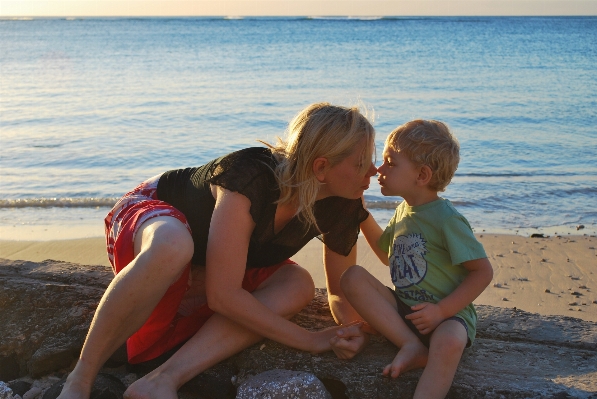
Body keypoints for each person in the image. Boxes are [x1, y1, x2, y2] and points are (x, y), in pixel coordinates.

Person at [58, 103, 377, 399]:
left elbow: (338, 294)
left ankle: (162, 380)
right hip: (152, 220)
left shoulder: (344, 203)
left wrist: (350, 332)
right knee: (173, 245)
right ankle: (80, 379)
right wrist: (308, 339)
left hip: (208, 260)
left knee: (299, 283)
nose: (373, 172)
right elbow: (223, 296)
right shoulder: (250, 176)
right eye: (362, 163)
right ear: (321, 167)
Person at [341, 120, 493, 399]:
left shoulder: (447, 219)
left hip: (448, 317)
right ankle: (411, 344)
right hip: (406, 311)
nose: (379, 170)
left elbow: (482, 272)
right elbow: (388, 257)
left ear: (422, 175)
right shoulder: (403, 211)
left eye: (390, 163)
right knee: (352, 277)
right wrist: (362, 216)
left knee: (448, 342)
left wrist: (442, 311)